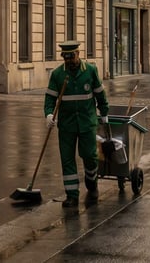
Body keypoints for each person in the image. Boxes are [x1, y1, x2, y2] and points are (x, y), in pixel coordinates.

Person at [44, 40, 109, 208]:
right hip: (67, 125)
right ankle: (71, 195)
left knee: (89, 155)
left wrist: (104, 112)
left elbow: (100, 95)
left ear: (78, 54)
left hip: (87, 122)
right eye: (66, 58)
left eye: (71, 57)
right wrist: (49, 114)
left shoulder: (90, 71)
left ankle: (91, 181)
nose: (69, 61)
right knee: (67, 159)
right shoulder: (58, 75)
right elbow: (50, 97)